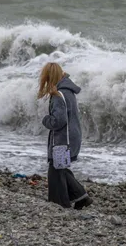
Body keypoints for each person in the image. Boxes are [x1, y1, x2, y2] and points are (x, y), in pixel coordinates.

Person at [38, 62, 93, 209]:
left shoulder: (58, 94)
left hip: (63, 139)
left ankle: (59, 204)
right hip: (73, 136)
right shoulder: (68, 91)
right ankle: (81, 197)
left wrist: (46, 120)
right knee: (60, 167)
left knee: (55, 169)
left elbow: (59, 120)